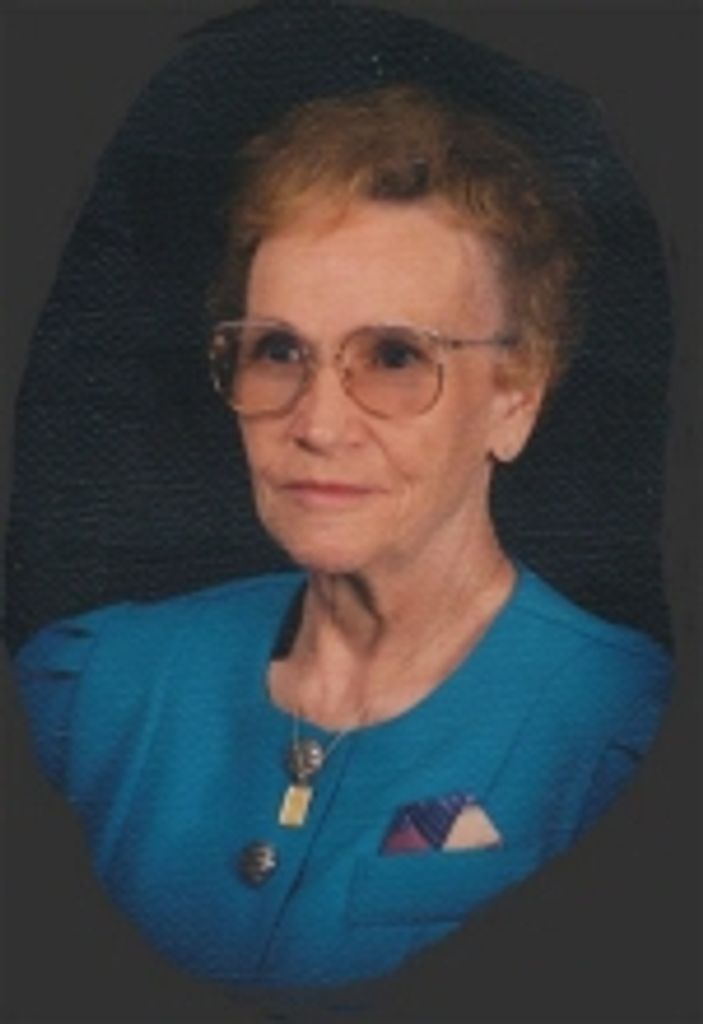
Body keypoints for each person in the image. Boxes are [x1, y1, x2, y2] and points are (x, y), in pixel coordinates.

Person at [13, 82, 671, 990]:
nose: (318, 424)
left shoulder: (617, 729)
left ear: (514, 398)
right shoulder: (93, 694)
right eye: (278, 351)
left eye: (395, 357)